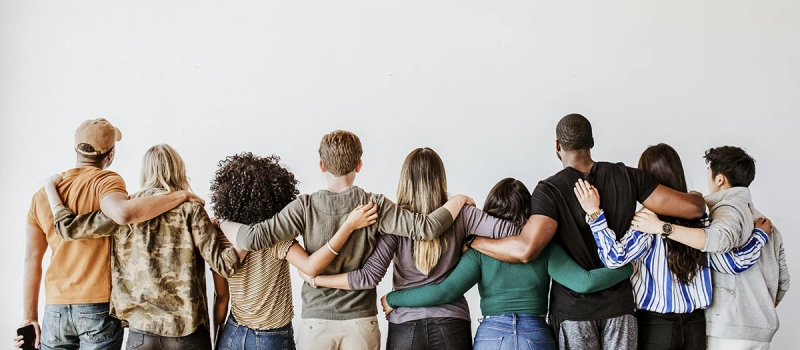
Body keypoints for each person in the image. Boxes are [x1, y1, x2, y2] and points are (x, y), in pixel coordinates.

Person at [218, 131, 475, 350]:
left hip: (315, 322)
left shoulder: (303, 207)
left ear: (321, 165)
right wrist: (458, 200)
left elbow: (252, 238)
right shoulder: (374, 205)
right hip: (361, 321)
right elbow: (426, 228)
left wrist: (222, 222)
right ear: (359, 165)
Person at [468, 114, 707, 350]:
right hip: (620, 310)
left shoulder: (549, 190)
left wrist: (475, 242)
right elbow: (694, 209)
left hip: (574, 313)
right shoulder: (629, 177)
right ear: (591, 142)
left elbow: (526, 250)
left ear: (557, 145)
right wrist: (696, 196)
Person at [297, 148, 521, 350]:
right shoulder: (463, 213)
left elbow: (368, 277)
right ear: (440, 178)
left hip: (405, 326)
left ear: (405, 179)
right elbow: (514, 230)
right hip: (452, 322)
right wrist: (472, 242)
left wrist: (316, 280)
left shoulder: (396, 222)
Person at [381, 178, 634, 350]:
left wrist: (393, 299)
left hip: (492, 335)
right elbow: (584, 282)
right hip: (535, 333)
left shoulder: (479, 250)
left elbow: (443, 292)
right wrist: (628, 267)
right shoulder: (542, 248)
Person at [16, 120, 202, 350]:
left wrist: (29, 317)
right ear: (111, 154)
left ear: (76, 149)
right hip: (97, 305)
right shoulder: (107, 182)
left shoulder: (42, 196)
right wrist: (179, 196)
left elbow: (31, 260)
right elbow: (124, 213)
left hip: (55, 308)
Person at [39, 144, 245, 350]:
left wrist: (51, 190)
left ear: (146, 172)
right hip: (186, 331)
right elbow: (224, 266)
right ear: (179, 170)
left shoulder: (126, 210)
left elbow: (69, 229)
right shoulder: (191, 210)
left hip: (141, 333)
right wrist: (248, 236)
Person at [572, 143, 773, 350]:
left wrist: (595, 214)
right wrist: (759, 236)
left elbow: (614, 259)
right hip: (695, 326)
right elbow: (733, 263)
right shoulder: (701, 219)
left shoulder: (646, 221)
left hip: (657, 326)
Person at [208, 152, 379, 350]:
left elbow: (221, 298)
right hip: (270, 337)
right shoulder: (277, 239)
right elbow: (311, 266)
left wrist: (217, 339)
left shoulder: (220, 236)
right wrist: (348, 226)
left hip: (233, 332)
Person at [629, 146, 790, 350]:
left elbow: (722, 251)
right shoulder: (765, 223)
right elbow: (783, 281)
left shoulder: (723, 212)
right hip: (759, 331)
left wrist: (661, 228)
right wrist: (760, 312)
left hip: (728, 328)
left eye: (709, 172)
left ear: (720, 179)